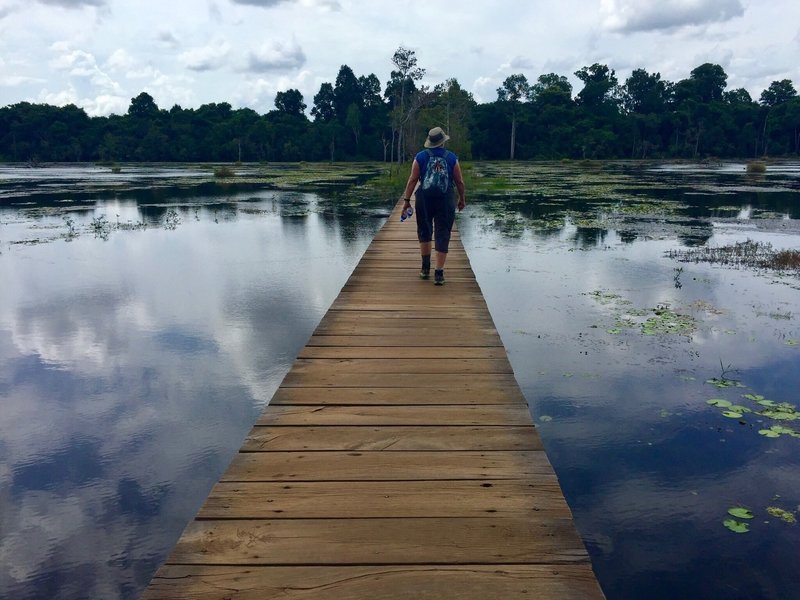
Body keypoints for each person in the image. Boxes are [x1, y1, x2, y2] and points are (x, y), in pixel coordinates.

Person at [400, 126, 466, 286]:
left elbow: (413, 179)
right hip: (446, 199)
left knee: (425, 230)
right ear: (443, 141)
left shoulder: (420, 157)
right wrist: (462, 198)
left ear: (430, 142)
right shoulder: (451, 158)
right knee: (443, 232)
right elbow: (459, 181)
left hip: (425, 198)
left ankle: (424, 269)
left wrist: (407, 200)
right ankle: (439, 273)